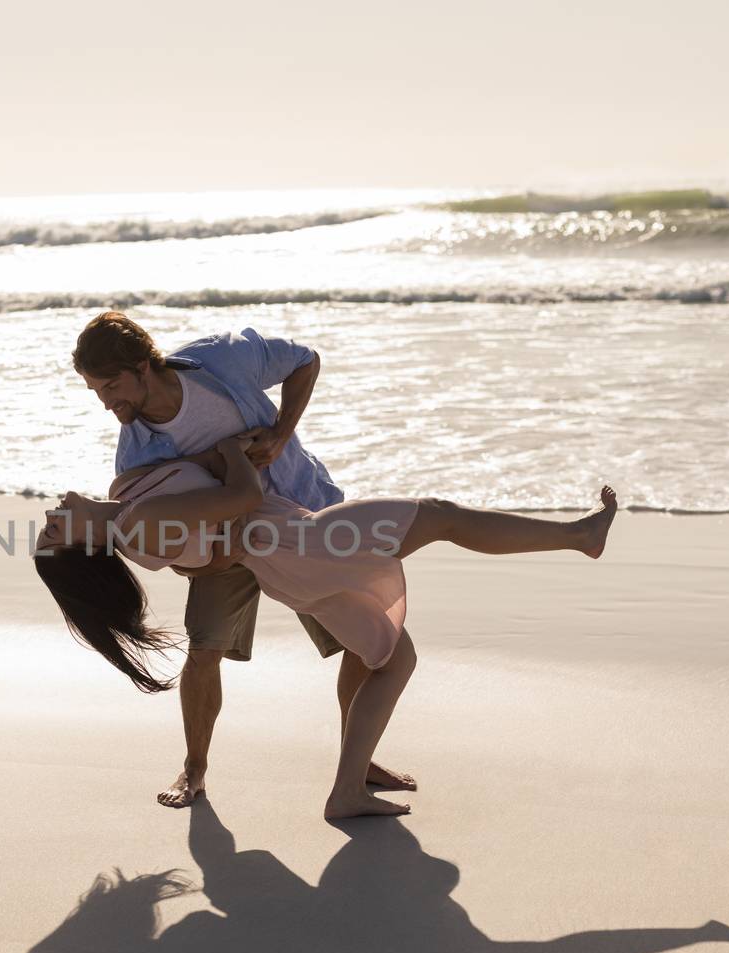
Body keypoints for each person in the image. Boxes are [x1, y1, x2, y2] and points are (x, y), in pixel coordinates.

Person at [34, 429, 617, 819]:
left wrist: (225, 514)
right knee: (440, 517)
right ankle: (577, 536)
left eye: (48, 522)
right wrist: (234, 450)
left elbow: (214, 553)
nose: (52, 513)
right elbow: (242, 494)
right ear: (85, 548)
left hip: (289, 560)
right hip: (307, 544)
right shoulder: (140, 523)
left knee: (391, 658)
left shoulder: (132, 512)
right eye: (56, 530)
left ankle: (348, 788)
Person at [68, 311, 414, 810]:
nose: (106, 403)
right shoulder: (137, 456)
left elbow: (304, 362)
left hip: (304, 516)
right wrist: (210, 560)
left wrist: (280, 431)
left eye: (111, 386)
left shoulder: (221, 359)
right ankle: (194, 770)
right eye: (95, 391)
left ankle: (356, 761)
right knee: (205, 650)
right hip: (226, 550)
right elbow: (173, 549)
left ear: (144, 366)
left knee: (359, 643)